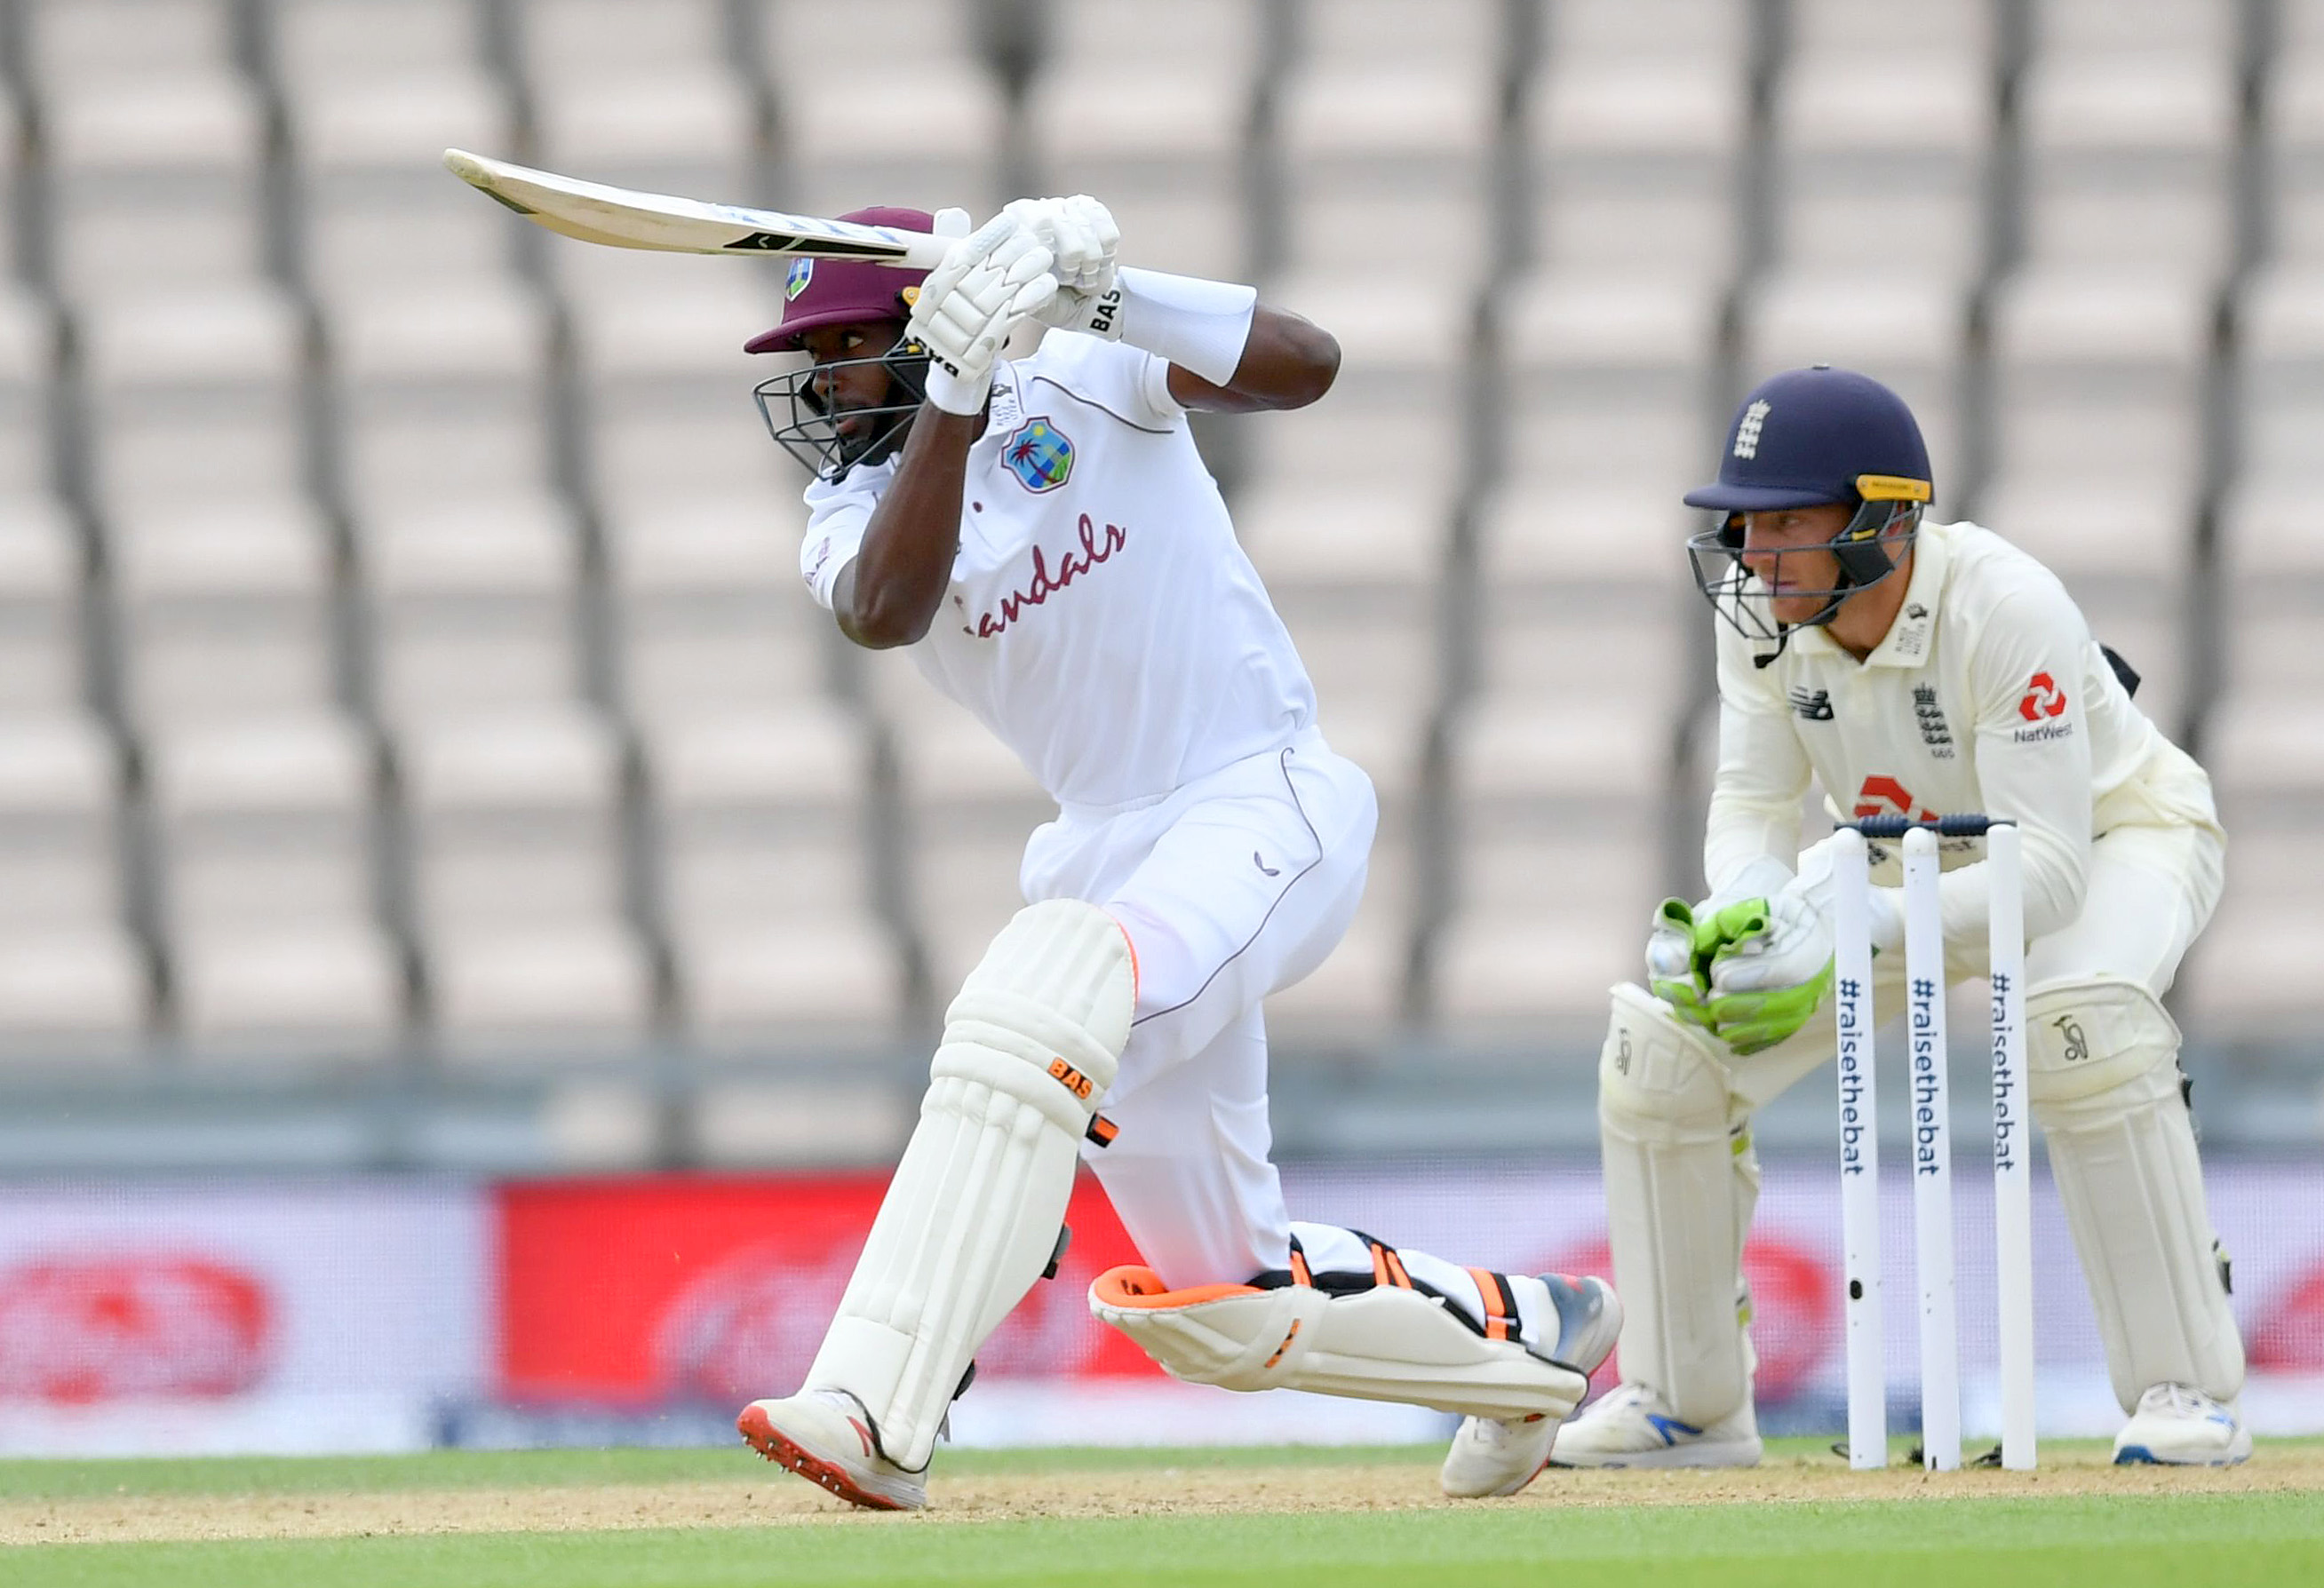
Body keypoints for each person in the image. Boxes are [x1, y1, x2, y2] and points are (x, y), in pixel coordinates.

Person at [730, 199, 1621, 1508]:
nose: (817, 385)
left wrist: (1112, 292)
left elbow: (1306, 366)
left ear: (917, 329)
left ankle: (874, 1405)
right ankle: (1529, 1336)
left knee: (1035, 998)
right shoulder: (849, 514)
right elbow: (888, 609)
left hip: (1263, 803)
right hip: (1111, 857)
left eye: (839, 352)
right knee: (1226, 1309)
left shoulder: (1089, 375)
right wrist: (958, 394)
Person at [1552, 365, 2248, 1470]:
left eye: (1786, 520)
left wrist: (1855, 926)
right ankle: (1685, 1405)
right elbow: (1751, 803)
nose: (1752, 553)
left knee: (2077, 1019)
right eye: (1742, 522)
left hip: (2117, 838)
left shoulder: (2005, 604)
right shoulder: (1769, 617)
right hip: (1894, 863)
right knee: (1666, 1050)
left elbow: (2054, 878)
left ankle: (2184, 1394)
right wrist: (1748, 914)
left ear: (1883, 520)